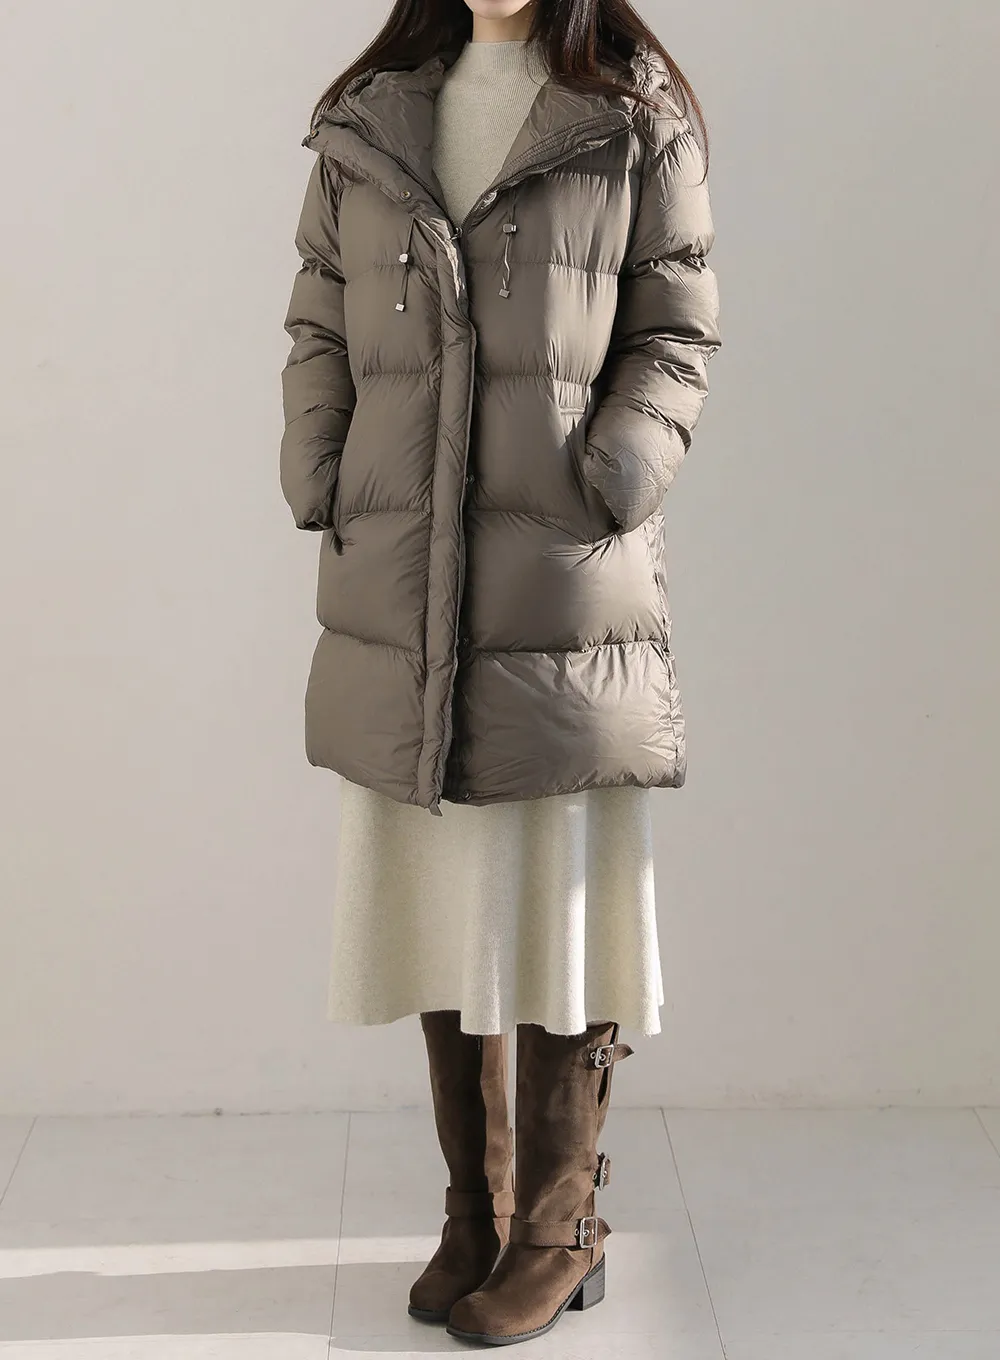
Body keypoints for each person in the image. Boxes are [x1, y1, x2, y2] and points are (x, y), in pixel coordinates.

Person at [278, 0, 721, 1345]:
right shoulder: (370, 116)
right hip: (405, 576)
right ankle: (473, 1213)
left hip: (556, 574)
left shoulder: (632, 114)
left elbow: (676, 326)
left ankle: (559, 1225)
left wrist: (617, 472)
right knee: (437, 889)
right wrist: (321, 466)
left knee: (556, 888)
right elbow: (317, 319)